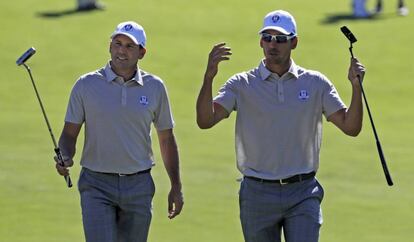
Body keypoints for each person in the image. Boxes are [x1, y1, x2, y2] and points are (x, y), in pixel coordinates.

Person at [196, 10, 365, 242]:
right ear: (260, 42)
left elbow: (350, 126)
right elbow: (205, 120)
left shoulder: (315, 83)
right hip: (257, 192)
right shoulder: (241, 84)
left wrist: (356, 88)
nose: (272, 44)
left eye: (281, 39)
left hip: (302, 191)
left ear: (294, 42)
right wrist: (208, 78)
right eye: (267, 37)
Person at [54, 21, 184, 242]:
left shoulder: (155, 87)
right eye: (117, 44)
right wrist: (65, 156)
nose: (121, 50)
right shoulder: (86, 85)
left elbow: (166, 139)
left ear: (142, 52)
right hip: (96, 184)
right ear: (110, 46)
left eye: (129, 46)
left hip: (138, 185)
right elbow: (69, 134)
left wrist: (176, 186)